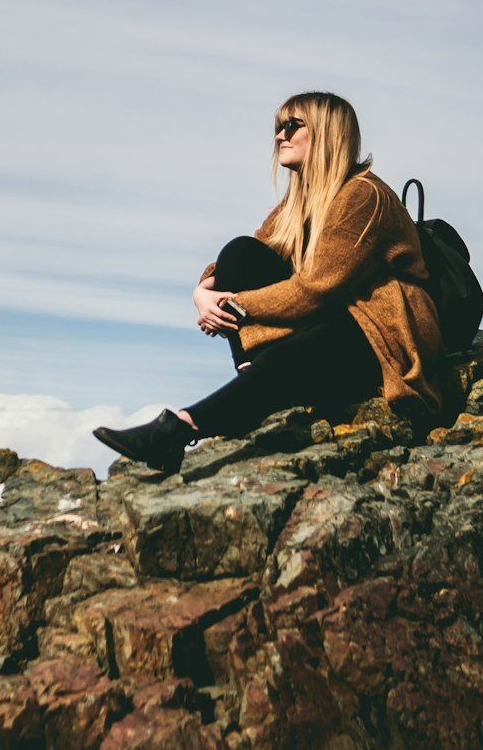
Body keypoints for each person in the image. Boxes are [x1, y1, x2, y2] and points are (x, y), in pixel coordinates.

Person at [93, 91, 443, 474]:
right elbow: (249, 254)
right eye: (278, 127)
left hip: (379, 335)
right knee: (239, 253)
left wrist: (234, 306)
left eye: (293, 126)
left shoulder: (364, 195)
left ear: (327, 133)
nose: (280, 135)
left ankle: (177, 429)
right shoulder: (300, 202)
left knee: (284, 355)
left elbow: (316, 289)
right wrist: (202, 292)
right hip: (328, 323)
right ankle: (257, 379)